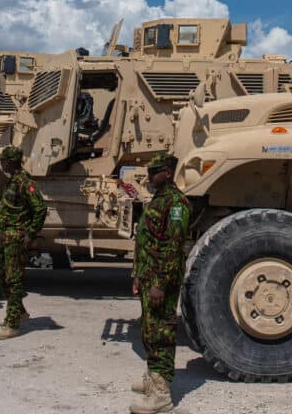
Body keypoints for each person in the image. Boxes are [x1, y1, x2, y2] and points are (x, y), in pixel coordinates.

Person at [129, 153, 190, 414]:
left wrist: (160, 284)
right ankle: (152, 377)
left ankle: (162, 395)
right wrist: (136, 275)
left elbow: (174, 247)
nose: (149, 176)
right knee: (149, 329)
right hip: (148, 275)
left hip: (160, 278)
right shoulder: (159, 199)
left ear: (167, 172)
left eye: (154, 172)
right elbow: (145, 241)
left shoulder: (177, 203)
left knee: (162, 332)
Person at [0, 146, 47, 340]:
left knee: (13, 280)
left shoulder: (24, 182)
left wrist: (30, 233)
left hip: (15, 238)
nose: (1, 164)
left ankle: (12, 323)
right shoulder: (12, 182)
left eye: (3, 161)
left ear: (10, 162)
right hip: (5, 237)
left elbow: (40, 208)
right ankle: (20, 311)